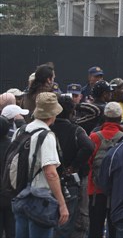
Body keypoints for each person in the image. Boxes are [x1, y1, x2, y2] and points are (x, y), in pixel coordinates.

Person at [13, 92, 69, 237]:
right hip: (40, 200)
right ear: (53, 114)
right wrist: (62, 204)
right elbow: (50, 172)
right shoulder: (46, 136)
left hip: (20, 195)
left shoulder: (20, 130)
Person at [51, 95, 95, 238]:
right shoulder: (76, 130)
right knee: (70, 219)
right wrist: (74, 166)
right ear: (72, 112)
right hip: (69, 181)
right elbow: (89, 146)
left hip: (49, 178)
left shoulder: (47, 128)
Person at [87, 102, 123, 238]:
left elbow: (88, 162)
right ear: (120, 118)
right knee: (115, 230)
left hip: (95, 191)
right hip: (118, 192)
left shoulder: (94, 137)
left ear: (105, 117)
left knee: (95, 229)